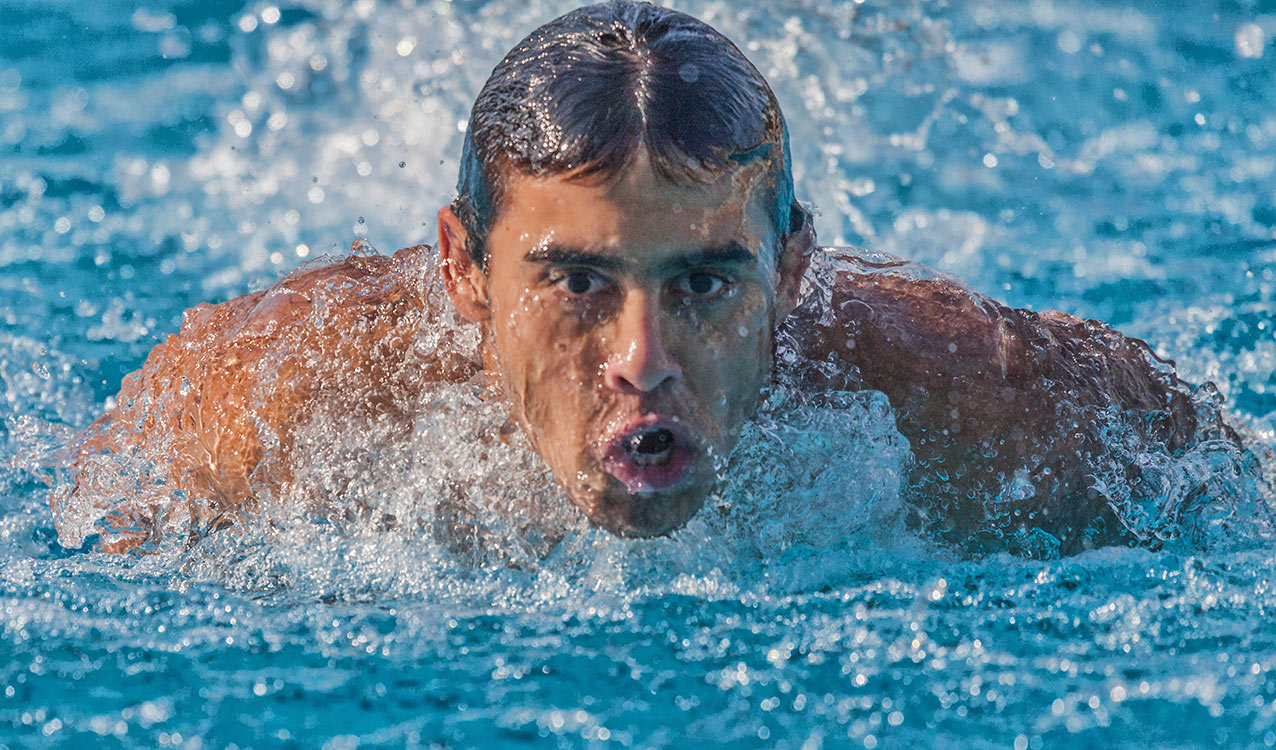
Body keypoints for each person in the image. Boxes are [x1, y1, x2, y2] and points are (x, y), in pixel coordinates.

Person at [50, 0, 1240, 557]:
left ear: (792, 267)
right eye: (575, 281)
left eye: (707, 282)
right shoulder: (279, 396)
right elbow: (83, 539)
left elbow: (1229, 491)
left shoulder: (969, 397)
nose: (643, 357)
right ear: (463, 269)